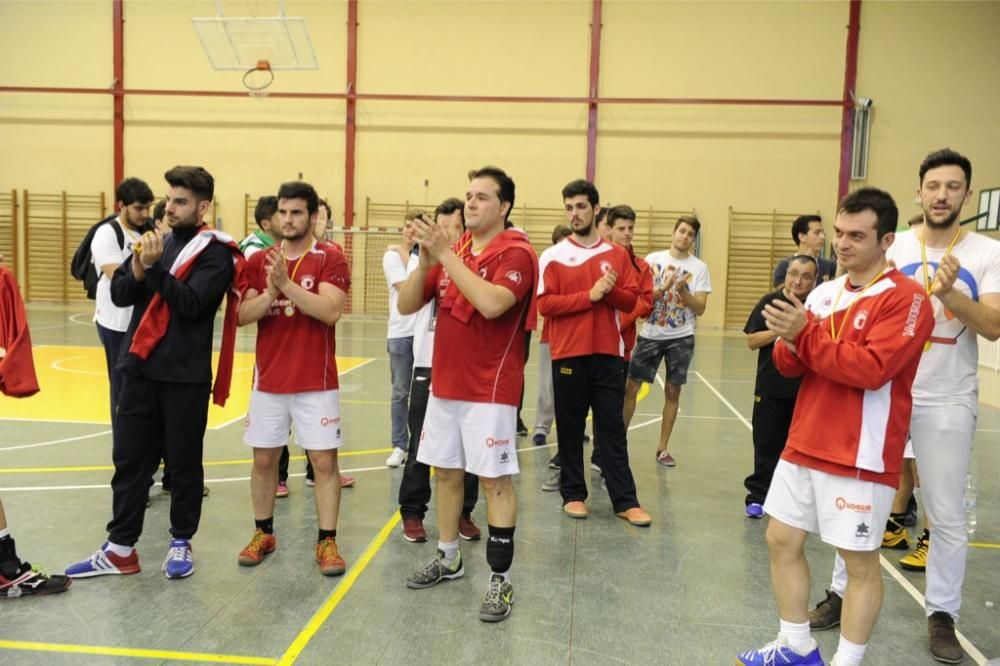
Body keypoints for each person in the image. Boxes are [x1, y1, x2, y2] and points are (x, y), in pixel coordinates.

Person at [811, 149, 1000, 664]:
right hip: (883, 390)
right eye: (933, 185)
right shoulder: (892, 244)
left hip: (945, 396)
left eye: (953, 186)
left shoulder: (986, 252)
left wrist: (951, 297)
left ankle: (943, 615)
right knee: (860, 497)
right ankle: (840, 591)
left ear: (967, 195)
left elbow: (993, 325)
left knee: (944, 510)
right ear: (919, 191)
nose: (942, 195)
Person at [736, 187, 933, 666]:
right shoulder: (823, 293)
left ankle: (847, 661)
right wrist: (788, 339)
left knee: (858, 562)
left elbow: (870, 369)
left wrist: (803, 334)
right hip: (804, 442)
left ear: (886, 239)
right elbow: (789, 366)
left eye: (856, 236)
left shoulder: (907, 300)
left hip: (859, 453)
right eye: (839, 233)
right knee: (781, 539)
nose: (842, 244)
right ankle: (795, 645)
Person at [65, 165, 243, 581]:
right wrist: (142, 266)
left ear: (204, 206)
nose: (170, 207)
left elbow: (193, 305)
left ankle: (181, 540)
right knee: (129, 461)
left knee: (183, 464)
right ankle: (121, 549)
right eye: (170, 199)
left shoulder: (216, 253)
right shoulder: (154, 243)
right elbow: (122, 292)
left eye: (181, 201)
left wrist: (157, 267)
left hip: (184, 375)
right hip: (139, 368)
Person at [397, 166, 536, 623]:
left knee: (495, 482)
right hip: (446, 385)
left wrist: (446, 256)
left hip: (489, 391)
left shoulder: (516, 253)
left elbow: (494, 303)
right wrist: (425, 259)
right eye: (468, 195)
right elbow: (406, 304)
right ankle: (449, 556)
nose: (471, 203)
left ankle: (500, 580)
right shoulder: (452, 249)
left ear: (504, 206)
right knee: (446, 474)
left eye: (482, 197)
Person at [235, 181, 352, 576]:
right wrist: (270, 294)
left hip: (316, 382)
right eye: (283, 212)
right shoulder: (259, 260)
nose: (288, 220)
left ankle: (327, 540)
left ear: (313, 216)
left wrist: (285, 285)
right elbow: (240, 316)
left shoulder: (330, 258)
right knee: (264, 459)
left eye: (296, 212)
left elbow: (330, 311)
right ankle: (263, 532)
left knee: (322, 461)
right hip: (268, 381)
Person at [537, 179, 650, 526]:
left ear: (596, 209)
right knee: (570, 427)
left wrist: (610, 291)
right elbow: (545, 304)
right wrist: (589, 296)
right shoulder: (553, 256)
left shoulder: (616, 254)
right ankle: (573, 495)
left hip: (609, 353)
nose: (575, 213)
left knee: (611, 428)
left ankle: (625, 501)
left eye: (581, 206)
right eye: (569, 207)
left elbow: (633, 300)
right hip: (568, 353)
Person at [397, 198, 480, 543]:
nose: (445, 234)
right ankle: (413, 511)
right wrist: (426, 263)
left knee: (469, 449)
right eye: (440, 227)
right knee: (421, 443)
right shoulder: (424, 260)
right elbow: (405, 303)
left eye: (453, 228)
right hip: (428, 364)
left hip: (467, 368)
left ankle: (464, 511)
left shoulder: (476, 262)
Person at [623, 216, 711, 467]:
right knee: (631, 386)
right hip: (651, 333)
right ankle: (619, 440)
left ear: (694, 240)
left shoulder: (700, 268)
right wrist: (663, 288)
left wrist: (684, 292)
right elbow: (641, 297)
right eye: (681, 231)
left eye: (690, 234)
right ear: (674, 232)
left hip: (681, 336)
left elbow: (701, 308)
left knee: (673, 391)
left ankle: (662, 448)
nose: (684, 236)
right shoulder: (652, 260)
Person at [742, 255, 818, 519]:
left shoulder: (819, 305)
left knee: (802, 449)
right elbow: (752, 341)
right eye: (793, 274)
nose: (798, 281)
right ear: (786, 275)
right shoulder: (770, 302)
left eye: (806, 276)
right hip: (771, 387)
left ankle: (794, 501)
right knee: (766, 445)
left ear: (814, 280)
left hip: (808, 391)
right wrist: (781, 330)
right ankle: (758, 497)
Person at [91, 177, 154, 428]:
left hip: (143, 321)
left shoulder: (149, 231)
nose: (144, 214)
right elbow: (116, 275)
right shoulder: (107, 234)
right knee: (121, 386)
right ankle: (124, 446)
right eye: (139, 208)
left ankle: (146, 443)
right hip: (115, 322)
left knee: (145, 386)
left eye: (148, 208)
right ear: (121, 206)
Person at [384, 211, 420, 467]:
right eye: (407, 226)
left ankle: (420, 444)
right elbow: (406, 287)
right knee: (400, 393)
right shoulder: (390, 256)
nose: (410, 231)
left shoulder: (424, 256)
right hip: (399, 333)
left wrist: (406, 251)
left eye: (416, 228)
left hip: (422, 334)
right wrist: (404, 252)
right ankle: (399, 445)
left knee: (424, 392)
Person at [531, 224, 573, 447]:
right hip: (552, 334)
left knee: (574, 388)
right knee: (547, 385)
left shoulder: (578, 269)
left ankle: (575, 426)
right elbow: (545, 303)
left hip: (576, 337)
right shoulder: (548, 267)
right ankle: (541, 427)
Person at [773, 215, 837, 287]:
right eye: (817, 233)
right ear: (802, 237)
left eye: (822, 233)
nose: (823, 237)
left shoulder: (830, 266)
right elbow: (783, 295)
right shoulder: (785, 265)